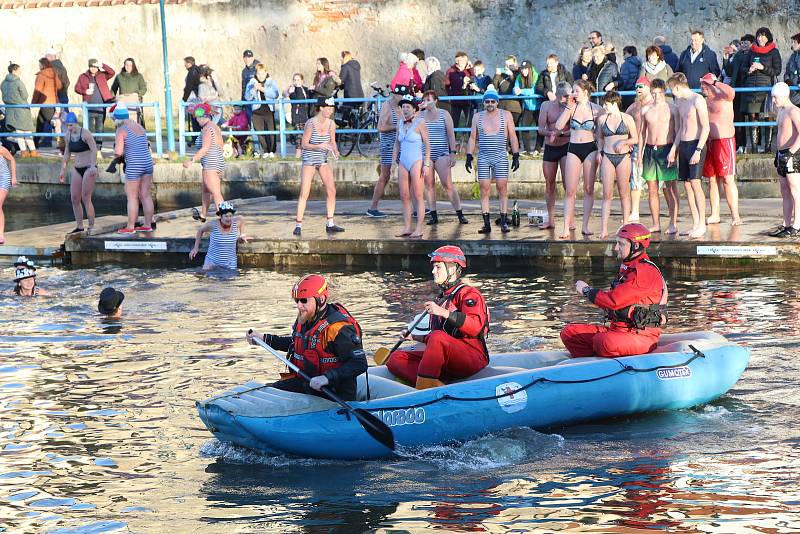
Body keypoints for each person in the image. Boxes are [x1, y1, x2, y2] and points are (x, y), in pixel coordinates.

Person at [246, 274, 367, 401]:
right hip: (307, 385)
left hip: (334, 393)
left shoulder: (339, 328)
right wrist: (263, 339)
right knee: (267, 391)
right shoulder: (305, 317)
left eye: (304, 300)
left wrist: (326, 378)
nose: (299, 305)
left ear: (321, 299)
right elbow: (295, 344)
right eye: (297, 300)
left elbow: (359, 363)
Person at [386, 245, 489, 390]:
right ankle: (436, 385)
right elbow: (439, 341)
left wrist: (443, 312)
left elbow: (474, 327)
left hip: (473, 357)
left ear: (453, 268)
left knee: (437, 336)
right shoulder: (441, 298)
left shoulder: (469, 294)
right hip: (449, 359)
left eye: (438, 267)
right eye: (434, 267)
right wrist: (415, 337)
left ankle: (425, 385)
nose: (433, 271)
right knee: (395, 358)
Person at [561, 223, 667, 357]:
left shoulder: (644, 272)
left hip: (640, 335)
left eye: (621, 244)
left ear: (635, 246)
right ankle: (586, 366)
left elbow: (613, 301)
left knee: (603, 341)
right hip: (617, 329)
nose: (616, 248)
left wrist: (587, 290)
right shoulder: (628, 268)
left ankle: (602, 363)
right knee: (569, 333)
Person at [466, 86, 520, 234]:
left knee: (502, 187)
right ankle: (486, 224)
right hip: (484, 156)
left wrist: (516, 155)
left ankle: (503, 221)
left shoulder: (506, 115)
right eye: (487, 101)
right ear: (484, 102)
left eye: (492, 101)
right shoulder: (478, 116)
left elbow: (513, 136)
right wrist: (469, 155)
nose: (490, 104)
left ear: (497, 102)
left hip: (501, 155)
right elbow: (472, 138)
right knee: (484, 188)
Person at [555, 79, 603, 238]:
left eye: (575, 91)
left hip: (590, 148)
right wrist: (568, 107)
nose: (572, 94)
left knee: (589, 189)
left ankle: (585, 225)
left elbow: (603, 132)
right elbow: (558, 126)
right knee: (570, 190)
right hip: (574, 148)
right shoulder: (571, 107)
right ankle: (565, 227)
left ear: (585, 92)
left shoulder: (596, 109)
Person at [668, 72, 710, 238]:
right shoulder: (680, 102)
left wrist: (699, 150)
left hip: (696, 144)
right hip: (684, 145)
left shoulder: (697, 100)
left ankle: (702, 224)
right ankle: (695, 223)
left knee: (695, 183)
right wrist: (674, 149)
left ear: (677, 86)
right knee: (686, 185)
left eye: (672, 89)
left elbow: (705, 127)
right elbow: (680, 129)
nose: (672, 93)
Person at [294, 97, 342, 236]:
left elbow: (332, 142)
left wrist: (335, 151)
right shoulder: (311, 123)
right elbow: (304, 144)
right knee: (305, 192)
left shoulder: (331, 124)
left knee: (331, 190)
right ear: (321, 108)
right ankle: (298, 224)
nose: (330, 110)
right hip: (309, 158)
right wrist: (319, 145)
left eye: (331, 108)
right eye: (328, 108)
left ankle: (330, 223)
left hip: (322, 159)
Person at [639, 78, 680, 234]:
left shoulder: (672, 109)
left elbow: (678, 132)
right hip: (650, 150)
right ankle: (656, 223)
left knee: (670, 187)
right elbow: (642, 134)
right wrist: (639, 154)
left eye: (659, 93)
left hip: (666, 148)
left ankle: (673, 222)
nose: (656, 97)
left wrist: (674, 151)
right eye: (653, 93)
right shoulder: (645, 110)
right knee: (652, 188)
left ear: (664, 92)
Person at [701, 73, 741, 226]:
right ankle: (715, 214)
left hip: (725, 142)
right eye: (702, 85)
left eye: (705, 85)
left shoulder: (723, 97)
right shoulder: (705, 101)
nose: (703, 87)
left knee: (727, 179)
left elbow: (732, 92)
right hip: (709, 142)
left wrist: (716, 82)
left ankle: (735, 215)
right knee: (711, 179)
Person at [420, 91, 467, 225]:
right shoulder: (421, 115)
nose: (426, 102)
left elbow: (451, 135)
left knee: (447, 184)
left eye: (429, 99)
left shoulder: (444, 114)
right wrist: (418, 109)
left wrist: (452, 153)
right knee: (429, 185)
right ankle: (433, 215)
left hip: (442, 153)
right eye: (424, 99)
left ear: (435, 101)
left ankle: (460, 213)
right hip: (426, 155)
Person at [597, 91, 638, 238]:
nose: (604, 106)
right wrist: (599, 152)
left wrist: (624, 142)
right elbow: (600, 138)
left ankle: (626, 224)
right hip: (608, 156)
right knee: (607, 194)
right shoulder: (602, 119)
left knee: (623, 192)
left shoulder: (627, 118)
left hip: (623, 157)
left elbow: (635, 138)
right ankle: (603, 228)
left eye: (606, 104)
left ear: (614, 103)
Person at [111, 104, 154, 235]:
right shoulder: (139, 126)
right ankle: (148, 224)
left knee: (132, 197)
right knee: (145, 195)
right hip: (147, 163)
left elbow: (118, 152)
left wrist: (115, 154)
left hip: (134, 165)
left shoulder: (121, 130)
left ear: (117, 118)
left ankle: (130, 227)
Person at [393, 94, 431, 239]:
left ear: (414, 109)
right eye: (403, 106)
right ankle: (407, 227)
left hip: (416, 160)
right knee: (404, 195)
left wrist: (426, 164)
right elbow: (397, 143)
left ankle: (419, 228)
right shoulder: (400, 123)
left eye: (408, 106)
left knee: (418, 195)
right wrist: (393, 162)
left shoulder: (420, 123)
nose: (405, 109)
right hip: (403, 160)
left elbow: (428, 145)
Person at [366, 84, 406, 218]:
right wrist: (398, 126)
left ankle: (415, 208)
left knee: (408, 175)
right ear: (393, 94)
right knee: (385, 175)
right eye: (398, 95)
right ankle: (372, 208)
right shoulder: (387, 106)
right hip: (388, 146)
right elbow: (381, 127)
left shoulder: (403, 106)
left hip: (401, 145)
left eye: (403, 96)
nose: (400, 98)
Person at [740, 27, 782, 154]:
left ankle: (768, 148)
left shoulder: (774, 52)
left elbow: (777, 71)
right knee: (753, 117)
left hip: (767, 89)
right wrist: (749, 70)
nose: (760, 38)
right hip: (752, 89)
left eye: (763, 36)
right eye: (758, 36)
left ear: (768, 37)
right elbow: (743, 68)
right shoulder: (752, 52)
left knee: (768, 117)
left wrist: (763, 67)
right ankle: (754, 148)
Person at [537, 81, 572, 230]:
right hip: (550, 147)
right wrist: (551, 133)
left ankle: (570, 220)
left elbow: (577, 129)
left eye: (569, 96)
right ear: (557, 96)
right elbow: (540, 128)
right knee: (550, 184)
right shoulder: (546, 106)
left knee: (568, 184)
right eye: (565, 96)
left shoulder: (571, 106)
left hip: (565, 146)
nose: (567, 99)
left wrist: (561, 133)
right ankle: (551, 220)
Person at [182, 102, 225, 223]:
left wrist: (192, 160)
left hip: (210, 163)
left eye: (196, 118)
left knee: (216, 193)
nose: (196, 120)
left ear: (202, 117)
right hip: (217, 162)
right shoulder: (215, 127)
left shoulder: (207, 129)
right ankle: (203, 214)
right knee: (206, 190)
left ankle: (225, 219)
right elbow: (220, 146)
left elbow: (205, 148)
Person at [769, 82, 800, 238]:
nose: (773, 101)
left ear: (782, 95)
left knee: (795, 190)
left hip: (792, 154)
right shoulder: (781, 111)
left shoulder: (794, 111)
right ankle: (786, 223)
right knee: (784, 190)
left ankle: (797, 224)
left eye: (775, 97)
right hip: (781, 154)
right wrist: (778, 154)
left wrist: (791, 153)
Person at [59, 112, 98, 233]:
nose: (69, 128)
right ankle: (79, 226)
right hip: (77, 167)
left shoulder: (85, 133)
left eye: (71, 125)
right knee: (74, 198)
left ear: (76, 123)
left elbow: (94, 150)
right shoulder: (68, 135)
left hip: (89, 167)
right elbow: (67, 153)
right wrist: (63, 169)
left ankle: (91, 226)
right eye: (67, 125)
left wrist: (92, 166)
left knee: (86, 197)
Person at [625, 76, 654, 222]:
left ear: (649, 88)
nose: (638, 89)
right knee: (635, 180)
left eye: (641, 86)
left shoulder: (656, 104)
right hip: (637, 147)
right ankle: (635, 211)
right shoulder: (633, 107)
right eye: (636, 87)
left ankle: (664, 213)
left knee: (658, 183)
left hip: (654, 146)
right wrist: (628, 141)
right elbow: (624, 124)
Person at [189, 201, 249, 270]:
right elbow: (200, 230)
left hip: (230, 263)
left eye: (230, 216)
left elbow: (242, 219)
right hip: (212, 262)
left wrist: (242, 234)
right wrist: (195, 248)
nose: (229, 219)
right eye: (226, 216)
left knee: (231, 279)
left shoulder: (236, 222)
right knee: (202, 276)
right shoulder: (213, 225)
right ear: (220, 216)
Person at [74, 59, 115, 149]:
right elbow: (76, 88)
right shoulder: (83, 76)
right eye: (92, 66)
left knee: (99, 129)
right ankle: (90, 148)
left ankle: (99, 149)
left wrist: (102, 64)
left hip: (101, 107)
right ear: (89, 67)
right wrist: (85, 91)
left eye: (96, 67)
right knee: (89, 129)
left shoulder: (102, 75)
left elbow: (112, 72)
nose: (94, 69)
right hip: (88, 107)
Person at [1, 64, 37, 157]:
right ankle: (33, 151)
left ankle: (24, 152)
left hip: (10, 110)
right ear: (14, 70)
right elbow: (25, 95)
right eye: (19, 70)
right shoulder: (18, 82)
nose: (20, 72)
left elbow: (4, 97)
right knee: (27, 131)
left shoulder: (3, 83)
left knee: (19, 132)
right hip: (21, 109)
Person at [245, 63, 279, 157]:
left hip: (268, 110)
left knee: (271, 131)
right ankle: (265, 151)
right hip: (257, 111)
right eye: (258, 74)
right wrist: (254, 89)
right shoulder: (251, 82)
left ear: (266, 72)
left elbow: (275, 94)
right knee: (260, 132)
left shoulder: (271, 82)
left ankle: (272, 151)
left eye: (262, 73)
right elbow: (247, 97)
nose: (261, 76)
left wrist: (262, 89)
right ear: (256, 74)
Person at [32, 57, 62, 148]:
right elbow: (59, 86)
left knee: (53, 123)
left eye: (39, 65)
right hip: (53, 101)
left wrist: (33, 103)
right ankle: (35, 144)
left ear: (42, 65)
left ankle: (63, 143)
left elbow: (38, 90)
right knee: (40, 122)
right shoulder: (54, 73)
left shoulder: (41, 75)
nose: (39, 66)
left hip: (45, 102)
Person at [283, 73, 313, 158]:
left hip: (306, 115)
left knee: (307, 136)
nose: (296, 82)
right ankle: (297, 155)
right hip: (297, 115)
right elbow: (296, 99)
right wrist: (289, 92)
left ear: (302, 81)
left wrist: (312, 89)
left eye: (298, 80)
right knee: (299, 136)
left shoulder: (305, 89)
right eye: (295, 80)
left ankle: (307, 155)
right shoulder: (294, 90)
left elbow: (309, 97)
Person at [444, 51, 475, 132]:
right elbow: (446, 85)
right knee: (454, 123)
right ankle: (453, 142)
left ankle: (470, 141)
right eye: (462, 60)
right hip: (456, 101)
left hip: (468, 100)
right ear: (457, 60)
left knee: (470, 123)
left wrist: (471, 69)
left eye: (466, 60)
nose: (465, 62)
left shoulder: (468, 70)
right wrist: (451, 96)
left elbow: (475, 80)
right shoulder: (451, 71)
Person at [111, 58, 147, 126]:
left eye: (130, 65)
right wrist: (113, 98)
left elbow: (144, 89)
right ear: (124, 65)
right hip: (122, 104)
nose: (128, 67)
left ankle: (135, 135)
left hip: (134, 103)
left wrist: (137, 94)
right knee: (122, 123)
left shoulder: (139, 76)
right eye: (126, 65)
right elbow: (113, 89)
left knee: (134, 124)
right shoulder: (119, 76)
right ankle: (122, 135)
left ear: (133, 66)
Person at [514, 60, 540, 154]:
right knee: (524, 127)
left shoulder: (536, 76)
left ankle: (538, 149)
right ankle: (527, 150)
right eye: (522, 69)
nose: (523, 71)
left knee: (540, 129)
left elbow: (533, 91)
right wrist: (515, 91)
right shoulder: (519, 77)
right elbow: (515, 88)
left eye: (525, 69)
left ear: (529, 69)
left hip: (538, 107)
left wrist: (521, 91)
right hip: (527, 108)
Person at [494, 56, 521, 124]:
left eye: (510, 65)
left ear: (515, 64)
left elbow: (520, 85)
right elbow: (494, 87)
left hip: (514, 107)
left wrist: (511, 76)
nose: (507, 67)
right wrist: (497, 75)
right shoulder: (502, 74)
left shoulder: (519, 72)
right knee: (502, 129)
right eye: (506, 65)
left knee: (514, 130)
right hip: (501, 107)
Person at [0, 143, 16, 244]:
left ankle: (0, 234)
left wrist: (13, 176)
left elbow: (12, 159)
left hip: (4, 178)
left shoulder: (1, 149)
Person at [182, 57, 202, 134]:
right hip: (199, 97)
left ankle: (196, 138)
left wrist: (184, 99)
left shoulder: (191, 72)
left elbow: (189, 87)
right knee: (199, 117)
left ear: (189, 63)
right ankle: (198, 136)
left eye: (185, 63)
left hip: (194, 98)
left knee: (194, 118)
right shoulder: (197, 70)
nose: (184, 65)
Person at [785, 33, 800, 106]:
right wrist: (787, 80)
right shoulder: (792, 56)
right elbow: (787, 71)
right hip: (793, 94)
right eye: (792, 42)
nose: (792, 44)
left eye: (794, 42)